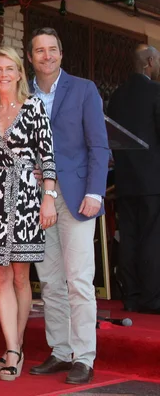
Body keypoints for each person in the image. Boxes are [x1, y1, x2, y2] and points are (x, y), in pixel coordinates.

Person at [27, 27, 110, 384]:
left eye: (52, 50)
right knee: (49, 281)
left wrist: (95, 192)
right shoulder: (22, 93)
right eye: (39, 51)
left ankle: (84, 357)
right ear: (30, 57)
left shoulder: (84, 89)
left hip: (76, 197)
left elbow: (99, 146)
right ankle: (60, 351)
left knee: (78, 280)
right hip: (35, 199)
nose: (46, 56)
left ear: (61, 54)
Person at [0, 46, 57, 381]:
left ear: (20, 73)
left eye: (10, 68)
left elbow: (47, 155)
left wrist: (48, 197)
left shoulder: (34, 106)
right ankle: (12, 348)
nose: (4, 74)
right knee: (1, 277)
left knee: (22, 276)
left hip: (25, 196)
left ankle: (16, 346)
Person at [107, 45, 160, 315]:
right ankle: (151, 299)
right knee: (152, 238)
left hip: (125, 182)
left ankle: (132, 296)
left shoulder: (116, 96)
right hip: (153, 182)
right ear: (150, 62)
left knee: (128, 237)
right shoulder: (156, 92)